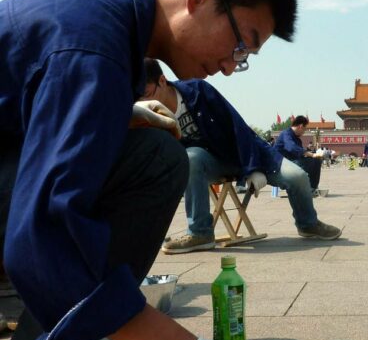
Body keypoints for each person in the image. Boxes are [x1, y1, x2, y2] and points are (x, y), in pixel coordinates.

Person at [0, 0, 301, 340]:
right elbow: (39, 237)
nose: (230, 65)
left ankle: (71, 324)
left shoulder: (111, 27)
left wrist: (116, 113)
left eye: (244, 58)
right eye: (239, 42)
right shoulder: (93, 48)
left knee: (150, 153)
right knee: (157, 162)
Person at [141, 60, 341, 254]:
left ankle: (308, 224)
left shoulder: (197, 92)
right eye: (139, 98)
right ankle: (199, 233)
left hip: (245, 153)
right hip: (209, 163)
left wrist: (252, 167)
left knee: (297, 176)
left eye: (148, 94)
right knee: (191, 157)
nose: (145, 102)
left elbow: (236, 125)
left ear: (162, 81)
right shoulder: (148, 115)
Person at [274, 116, 324, 195]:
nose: (304, 133)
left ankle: (311, 188)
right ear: (300, 126)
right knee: (314, 161)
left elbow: (299, 155)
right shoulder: (286, 134)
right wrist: (311, 154)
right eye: (304, 129)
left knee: (315, 161)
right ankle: (310, 188)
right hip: (280, 164)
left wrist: (311, 156)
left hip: (290, 162)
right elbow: (291, 147)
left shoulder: (297, 139)